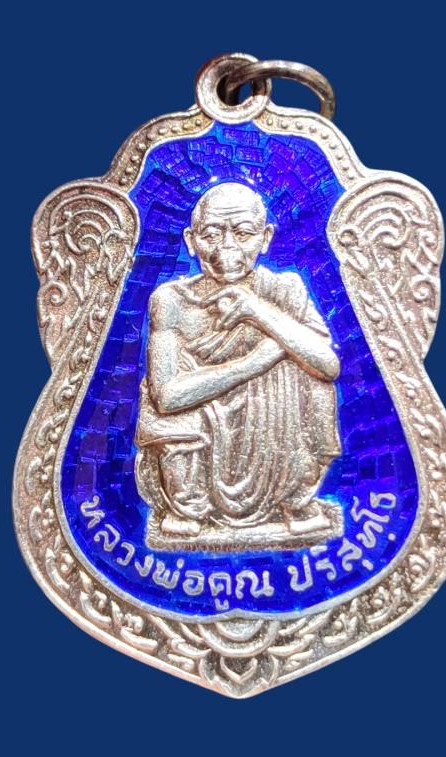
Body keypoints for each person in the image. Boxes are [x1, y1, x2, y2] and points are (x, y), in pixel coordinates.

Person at [135, 182, 343, 549]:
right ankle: (188, 506)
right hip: (201, 427)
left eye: (243, 233)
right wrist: (254, 363)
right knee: (167, 393)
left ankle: (294, 498)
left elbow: (327, 366)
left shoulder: (284, 291)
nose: (226, 249)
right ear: (191, 241)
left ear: (265, 238)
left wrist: (257, 311)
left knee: (307, 375)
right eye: (212, 235)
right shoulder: (171, 301)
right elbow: (166, 396)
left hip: (275, 429)